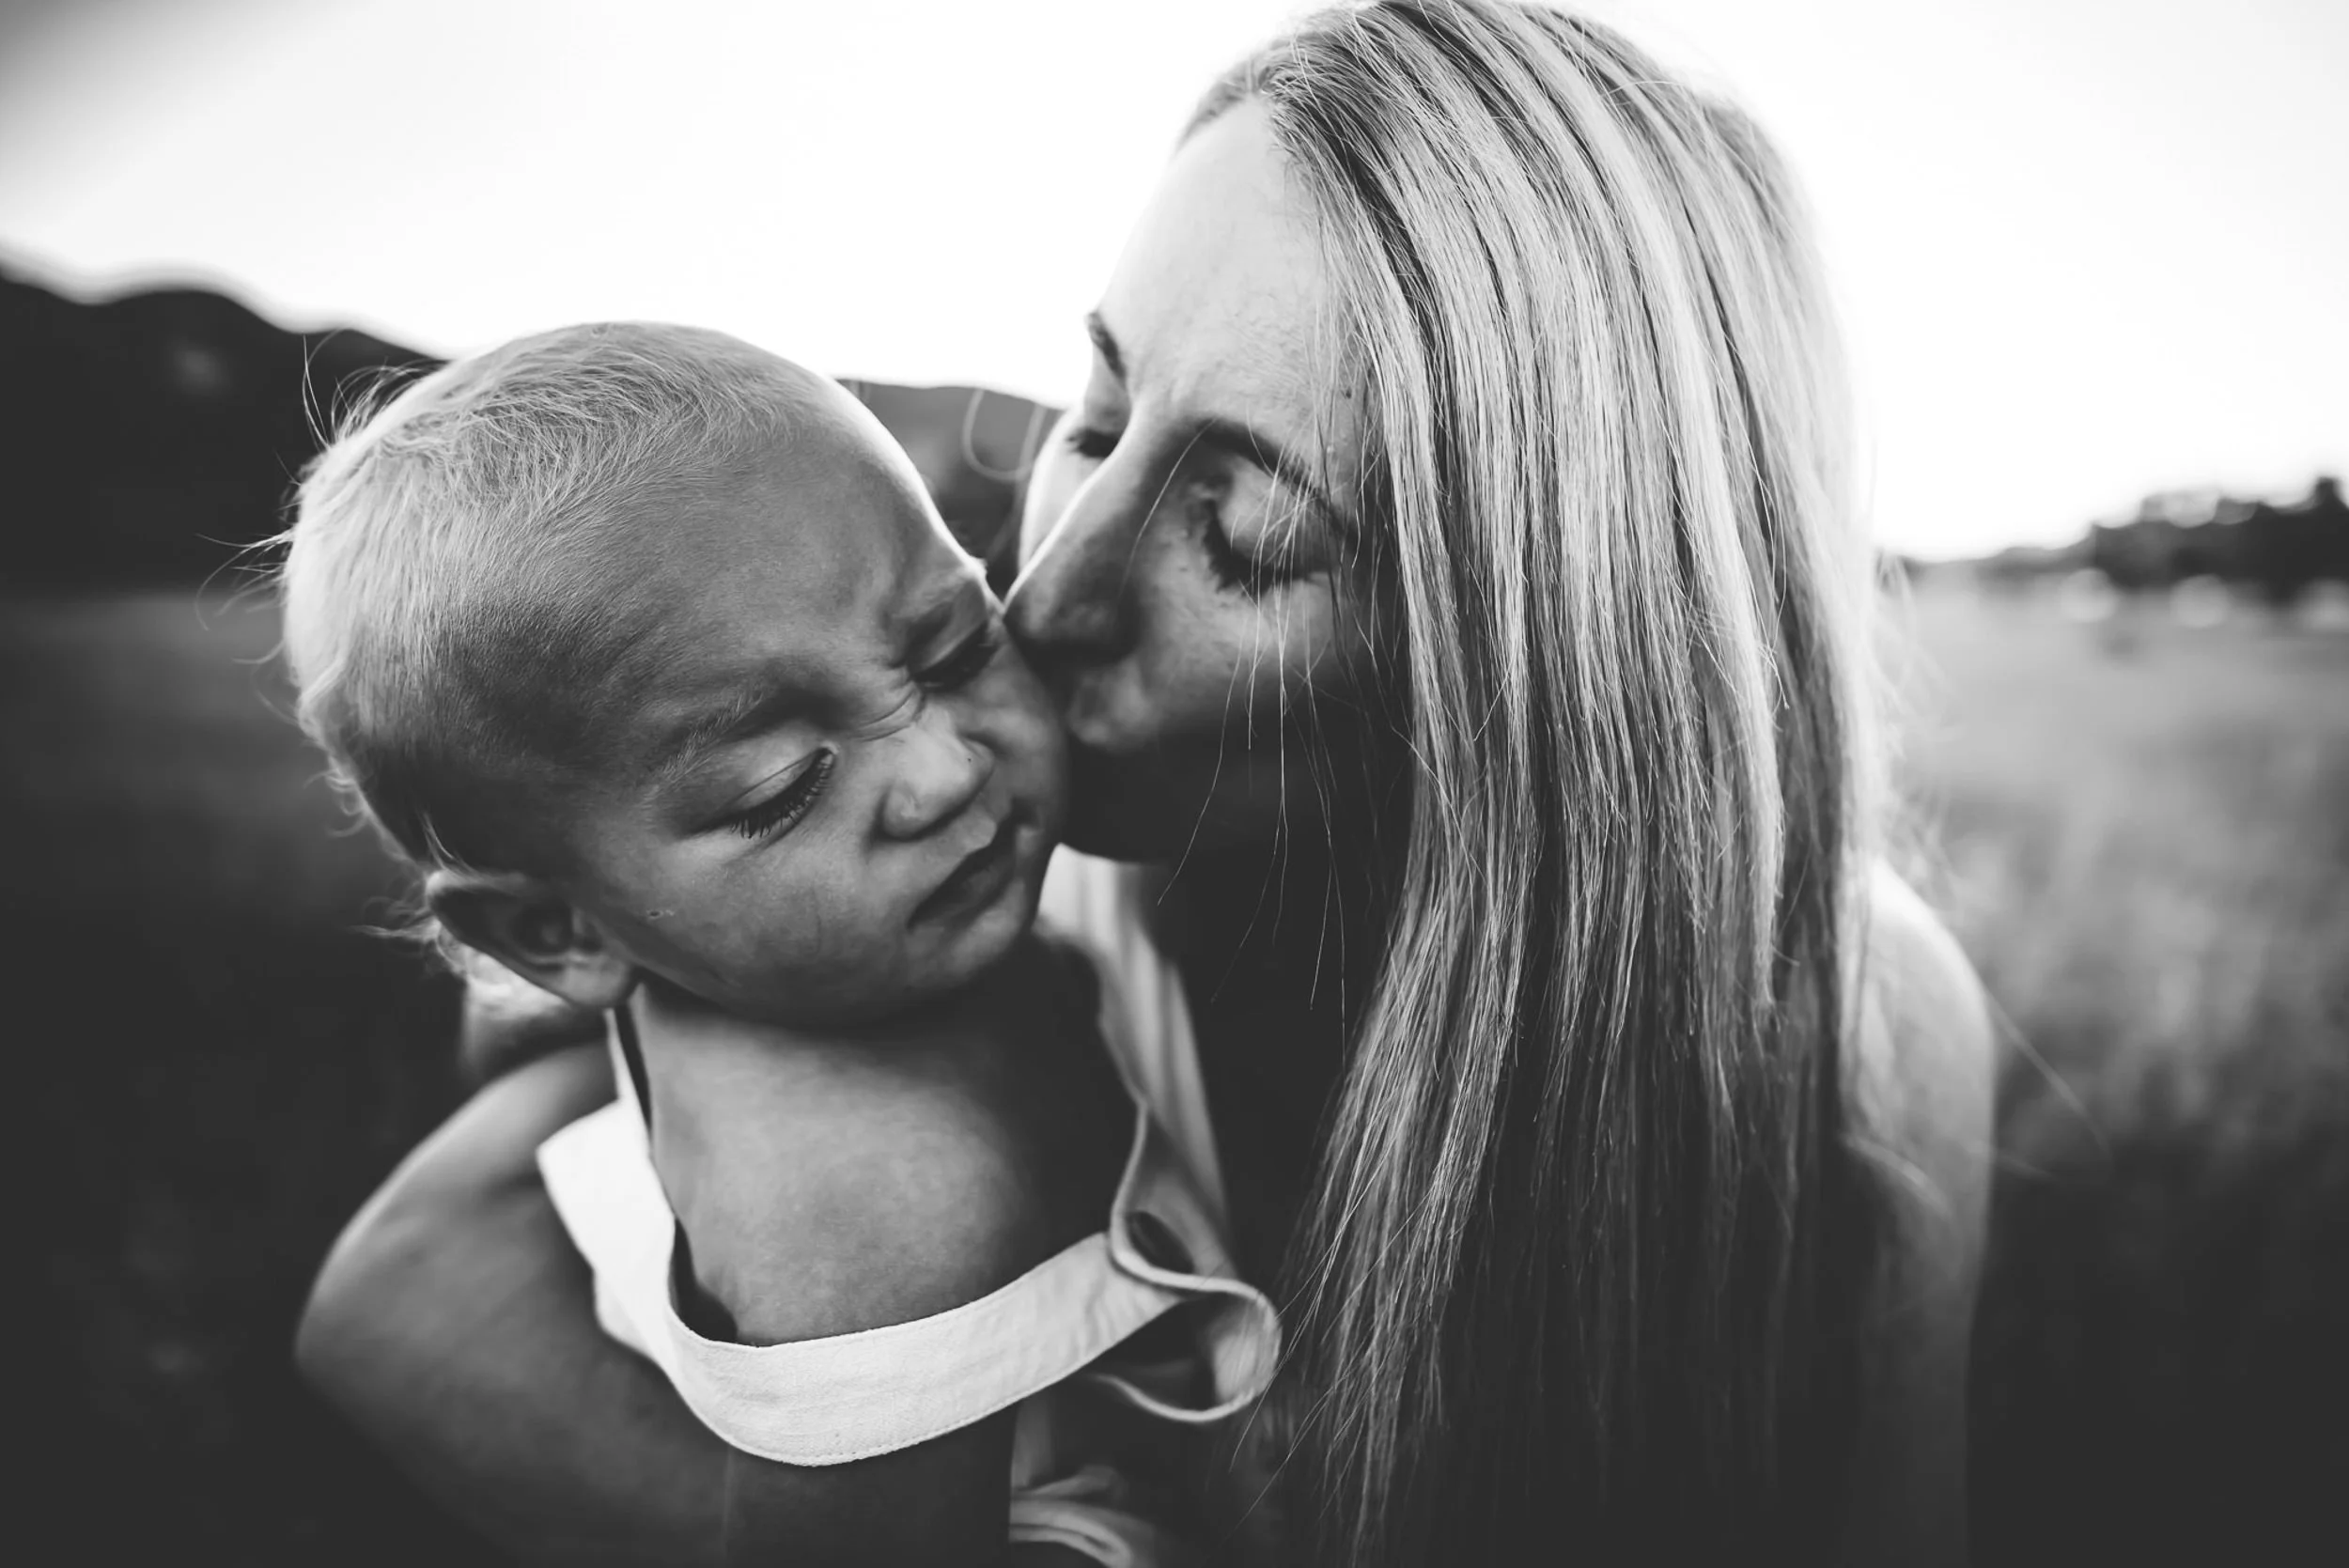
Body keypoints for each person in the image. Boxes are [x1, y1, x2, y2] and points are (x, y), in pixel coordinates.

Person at [297, 4, 1997, 1563]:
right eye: (1096, 416)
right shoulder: (917, 902)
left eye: (1249, 534)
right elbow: (397, 1289)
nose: (1045, 600)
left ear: (1541, 672)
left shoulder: (1842, 1024)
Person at [281, 322, 1277, 1564]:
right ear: (559, 927)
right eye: (781, 788)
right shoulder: (872, 1213)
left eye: (955, 646)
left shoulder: (746, 955)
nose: (941, 768)